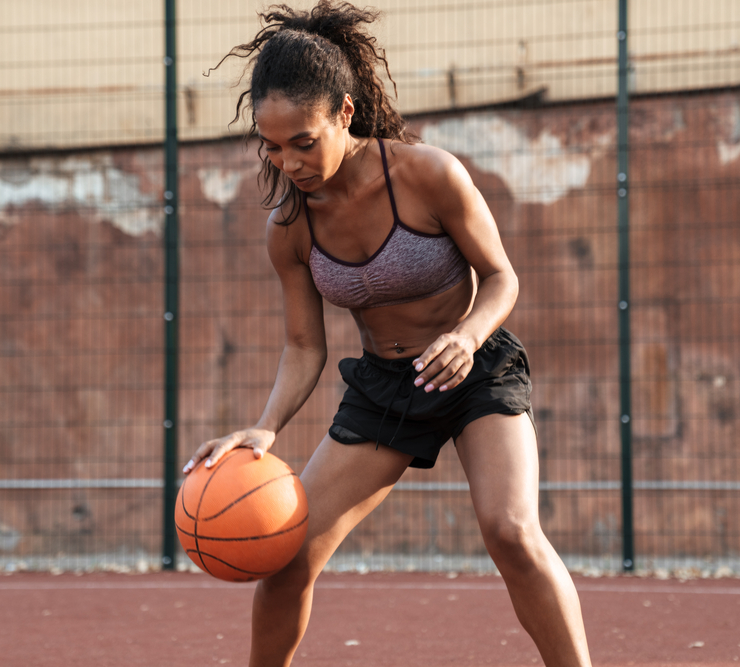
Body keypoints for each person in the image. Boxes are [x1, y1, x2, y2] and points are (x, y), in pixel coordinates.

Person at [184, 2, 593, 665]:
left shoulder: (428, 174)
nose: (288, 161)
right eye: (272, 145)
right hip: (385, 388)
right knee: (287, 560)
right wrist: (266, 426)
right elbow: (303, 346)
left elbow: (500, 278)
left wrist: (467, 336)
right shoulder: (290, 227)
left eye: (303, 142)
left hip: (474, 369)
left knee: (512, 531)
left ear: (344, 114)